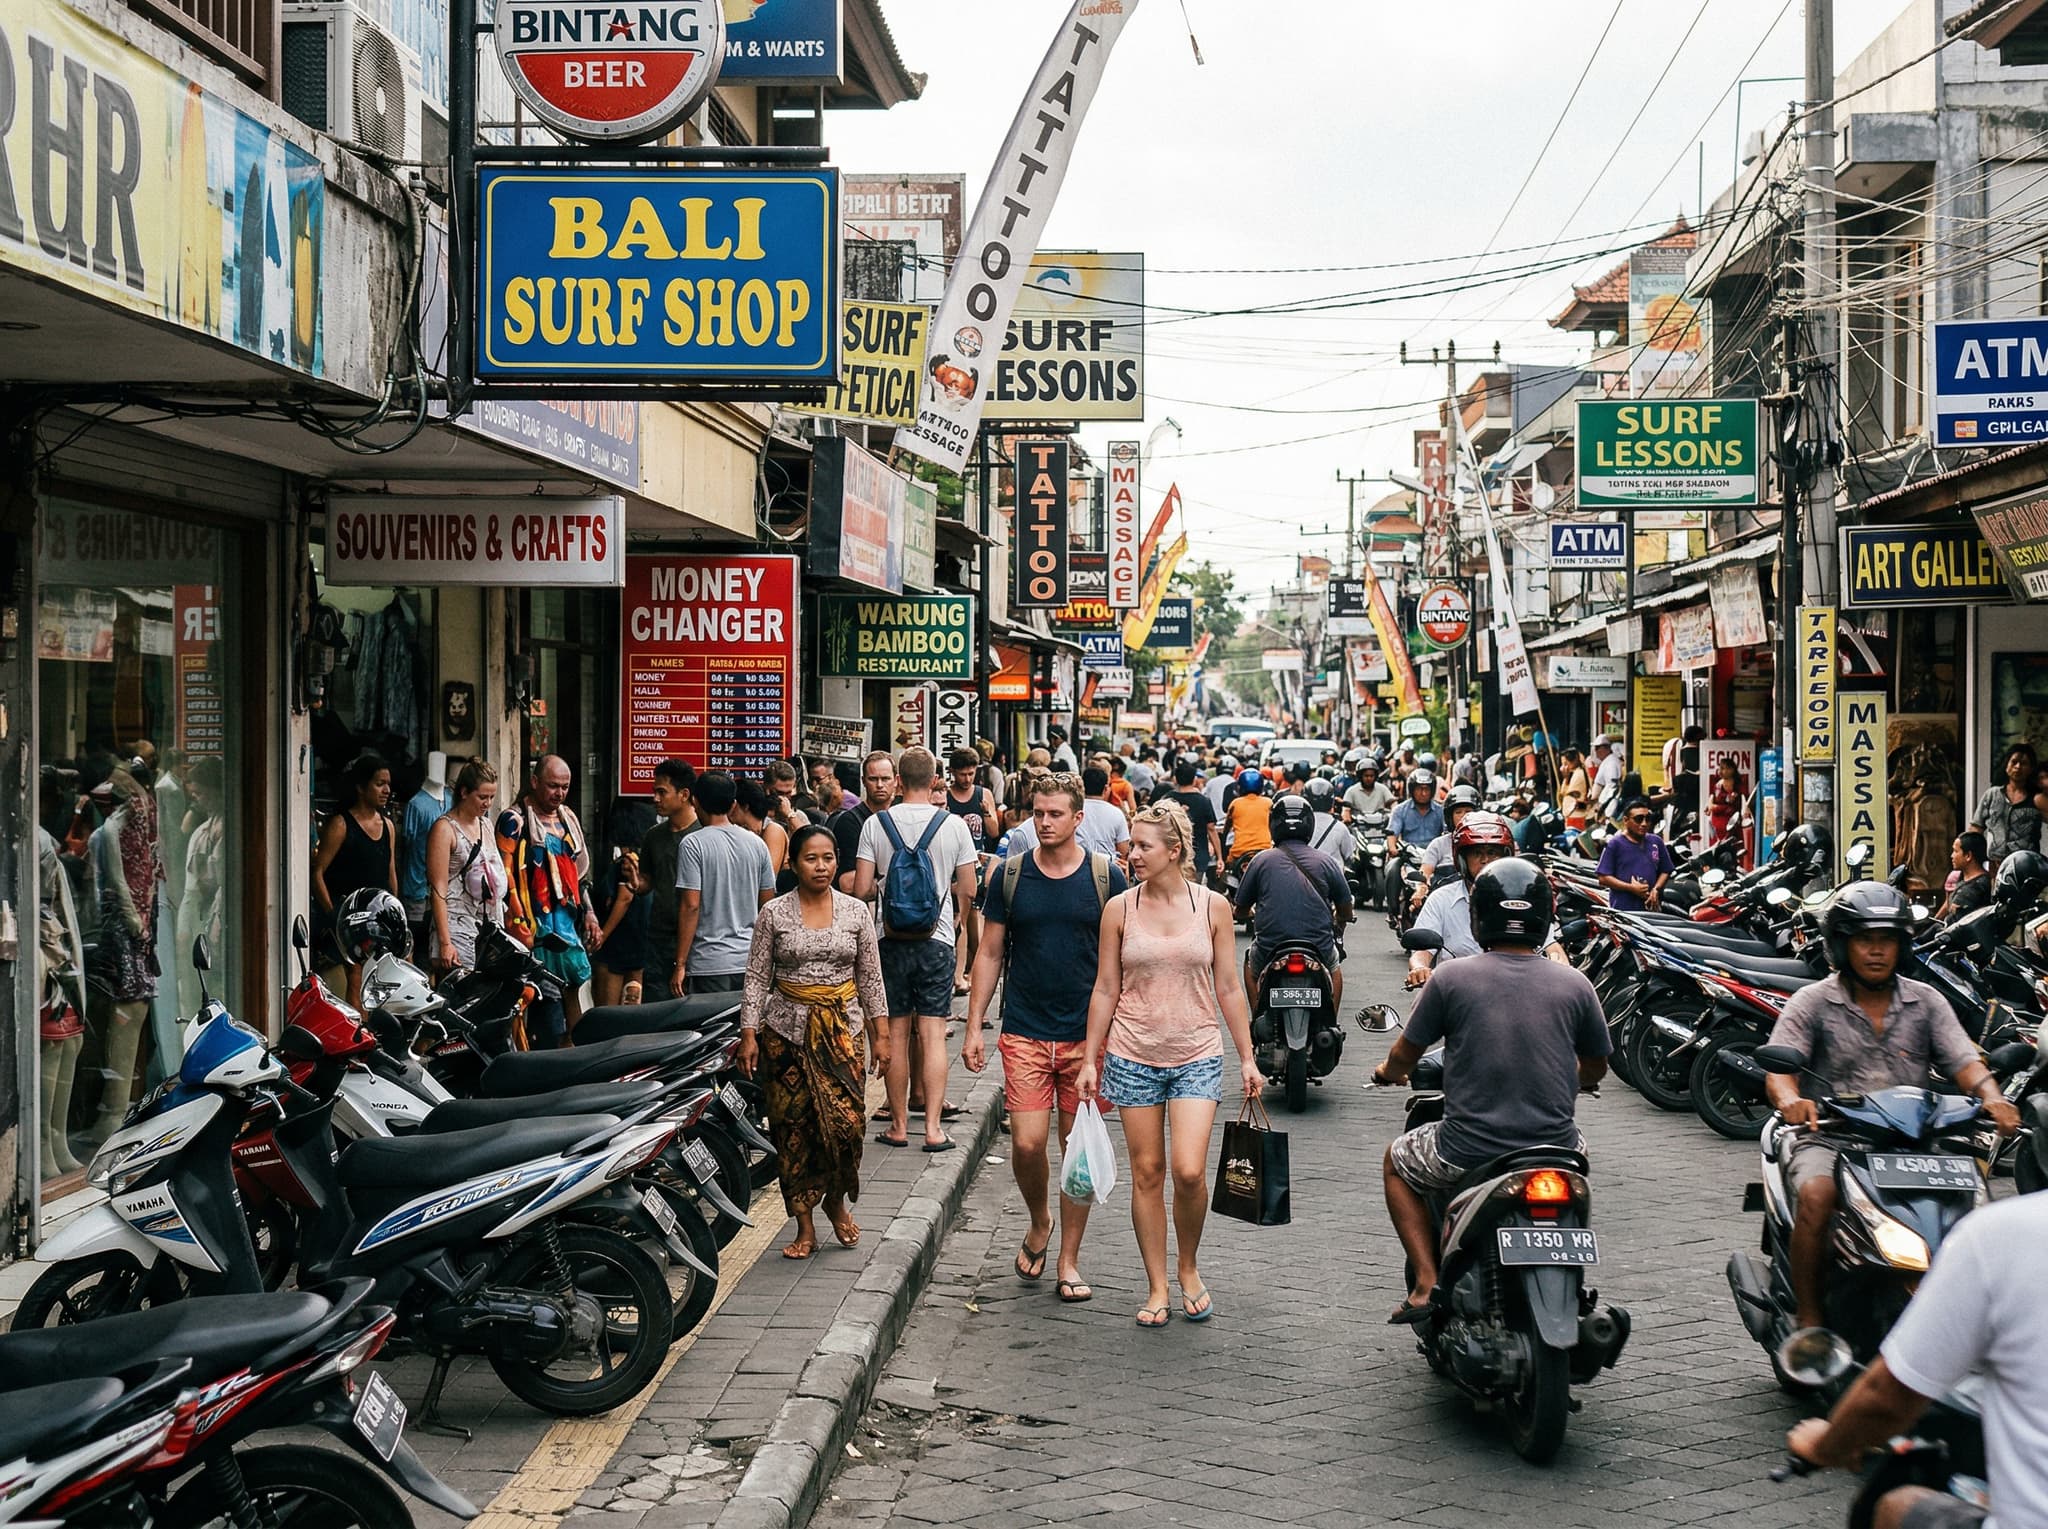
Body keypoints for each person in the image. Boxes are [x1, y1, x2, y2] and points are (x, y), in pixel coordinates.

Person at [1763, 881, 2019, 1334]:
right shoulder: (1814, 1002)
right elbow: (1779, 1071)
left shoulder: (1927, 1001)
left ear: (1902, 946)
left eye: (1888, 941)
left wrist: (1993, 1097)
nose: (1877, 951)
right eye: (1866, 940)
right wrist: (1792, 1101)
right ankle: (1810, 1318)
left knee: (1975, 1205)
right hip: (1833, 1135)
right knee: (1817, 1198)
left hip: (1917, 1139)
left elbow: (1965, 1062)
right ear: (1842, 945)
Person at [1371, 858, 1610, 1322]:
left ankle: (1425, 1281)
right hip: (1557, 1149)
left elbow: (1406, 1055)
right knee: (1578, 1174)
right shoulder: (1576, 984)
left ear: (1479, 916)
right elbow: (1597, 1066)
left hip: (1468, 1148)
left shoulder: (1452, 978)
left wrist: (1387, 1071)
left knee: (1395, 1163)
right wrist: (1578, 1080)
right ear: (1544, 916)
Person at [1077, 802, 1263, 1328]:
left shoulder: (1212, 907)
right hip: (1132, 1052)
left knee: (1187, 1170)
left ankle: (1188, 1266)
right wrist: (1090, 1058)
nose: (1131, 854)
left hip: (1197, 1052)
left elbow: (1228, 986)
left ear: (1173, 852)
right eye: (1131, 845)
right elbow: (1106, 987)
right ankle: (1157, 1284)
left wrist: (1247, 1057)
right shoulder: (1120, 909)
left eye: (1142, 846)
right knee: (1147, 1174)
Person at [1783, 1191, 2048, 1529]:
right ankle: (1809, 1312)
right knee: (1815, 1195)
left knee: (1896, 1506)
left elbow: (1887, 1398)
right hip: (1860, 1166)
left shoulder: (2001, 1233)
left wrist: (1825, 1446)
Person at [964, 772, 1127, 1303]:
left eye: (1056, 814)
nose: (1045, 822)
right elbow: (989, 954)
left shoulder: (1107, 877)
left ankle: (1069, 1258)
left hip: (1086, 1039)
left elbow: (1124, 961)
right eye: (1038, 813)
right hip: (1026, 1031)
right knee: (1028, 1143)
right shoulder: (1010, 876)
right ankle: (1040, 1220)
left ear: (1079, 818)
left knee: (1074, 1151)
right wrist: (973, 1026)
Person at [738, 824, 891, 1260]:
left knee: (847, 1125)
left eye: (827, 858)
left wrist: (882, 1035)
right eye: (810, 858)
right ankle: (803, 1224)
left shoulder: (855, 912)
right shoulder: (774, 914)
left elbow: (871, 978)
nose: (820, 867)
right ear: (793, 864)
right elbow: (756, 977)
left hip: (843, 1031)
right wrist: (749, 1033)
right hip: (784, 1034)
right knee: (793, 1130)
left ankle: (835, 1199)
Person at [855, 748, 980, 1151]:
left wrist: (886, 887)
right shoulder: (954, 826)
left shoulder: (876, 824)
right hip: (937, 941)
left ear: (897, 781)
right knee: (931, 1033)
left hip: (888, 942)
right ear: (935, 781)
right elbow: (971, 888)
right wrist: (954, 918)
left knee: (894, 1032)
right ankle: (931, 1129)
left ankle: (896, 1126)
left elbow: (861, 890)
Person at [501, 755, 600, 1045]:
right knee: (546, 1013)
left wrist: (591, 914)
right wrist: (518, 919)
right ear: (534, 782)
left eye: (565, 787)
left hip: (568, 928)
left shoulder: (568, 819)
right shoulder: (514, 820)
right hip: (534, 930)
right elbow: (505, 874)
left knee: (579, 1002)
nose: (559, 793)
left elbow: (578, 876)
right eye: (553, 786)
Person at [1405, 813, 1567, 986]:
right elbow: (1422, 953)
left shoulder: (1526, 897)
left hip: (1517, 991)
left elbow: (1552, 947)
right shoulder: (1441, 899)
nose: (1485, 860)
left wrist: (1562, 969)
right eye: (1477, 853)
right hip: (1458, 994)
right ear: (1462, 859)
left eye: (1492, 852)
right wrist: (1419, 969)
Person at [1235, 794, 1353, 1013]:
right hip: (1318, 946)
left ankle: (1256, 1017)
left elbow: (1240, 909)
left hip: (1270, 946)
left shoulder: (1260, 860)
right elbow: (1345, 908)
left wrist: (1250, 913)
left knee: (1250, 964)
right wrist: (1340, 920)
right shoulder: (1326, 861)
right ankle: (1332, 1022)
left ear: (1273, 825)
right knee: (1335, 970)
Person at [672, 771, 777, 997]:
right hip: (749, 961)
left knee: (711, 1030)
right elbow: (768, 906)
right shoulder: (757, 844)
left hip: (709, 964)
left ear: (695, 802)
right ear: (733, 805)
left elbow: (691, 905)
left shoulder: (692, 844)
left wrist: (680, 963)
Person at [312, 752, 397, 1005]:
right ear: (361, 787)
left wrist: (395, 913)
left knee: (382, 981)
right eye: (379, 783)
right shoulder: (340, 825)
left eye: (388, 784)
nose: (386, 790)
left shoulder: (388, 825)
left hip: (379, 918)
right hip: (347, 919)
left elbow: (390, 873)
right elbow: (317, 873)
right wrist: (334, 917)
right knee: (356, 979)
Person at [425, 757, 507, 974]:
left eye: (491, 797)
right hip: (456, 926)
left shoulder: (486, 824)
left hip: (488, 927)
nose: (487, 803)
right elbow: (438, 890)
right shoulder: (445, 829)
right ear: (464, 793)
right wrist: (445, 943)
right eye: (482, 797)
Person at [635, 759, 698, 1002]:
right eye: (654, 792)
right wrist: (635, 883)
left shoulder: (702, 834)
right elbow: (648, 882)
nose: (656, 798)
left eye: (662, 792)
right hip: (658, 938)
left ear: (684, 795)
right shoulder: (654, 836)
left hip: (694, 938)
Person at [943, 747, 1001, 995]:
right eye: (962, 774)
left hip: (977, 862)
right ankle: (961, 971)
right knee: (959, 917)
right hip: (952, 864)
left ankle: (970, 969)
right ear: (952, 772)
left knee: (973, 917)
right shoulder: (945, 796)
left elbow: (994, 832)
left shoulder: (982, 793)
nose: (967, 779)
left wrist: (987, 811)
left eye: (971, 773)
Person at [590, 798, 651, 1007]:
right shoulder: (647, 854)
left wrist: (602, 937)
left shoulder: (627, 859)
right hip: (641, 934)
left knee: (609, 1007)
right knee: (634, 999)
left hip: (620, 936)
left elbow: (625, 898)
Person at [399, 752, 451, 955]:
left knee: (438, 942)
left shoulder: (450, 798)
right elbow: (406, 845)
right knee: (416, 939)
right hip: (417, 883)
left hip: (444, 884)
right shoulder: (416, 804)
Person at [1597, 796, 1677, 912]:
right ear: (1625, 820)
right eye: (1639, 819)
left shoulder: (1656, 842)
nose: (1644, 824)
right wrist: (1630, 888)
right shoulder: (1615, 844)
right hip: (1625, 912)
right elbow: (1603, 878)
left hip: (1652, 911)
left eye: (1648, 818)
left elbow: (1666, 870)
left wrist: (1656, 889)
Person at [832, 752, 896, 896]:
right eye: (873, 779)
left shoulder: (902, 818)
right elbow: (847, 883)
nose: (879, 785)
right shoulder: (849, 822)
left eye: (885, 779)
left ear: (896, 781)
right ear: (863, 781)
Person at [1973, 743, 2043, 865]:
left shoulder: (2036, 799)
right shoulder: (1992, 795)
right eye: (2014, 762)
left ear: (2031, 769)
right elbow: (1975, 828)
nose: (2018, 767)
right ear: (2006, 765)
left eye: (2024, 763)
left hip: (2026, 865)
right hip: (1994, 865)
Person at [1160, 760, 1223, 883]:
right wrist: (1220, 857)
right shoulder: (1204, 801)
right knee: (1193, 890)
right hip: (1198, 856)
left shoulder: (1167, 799)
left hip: (1172, 855)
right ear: (1194, 780)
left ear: (1176, 779)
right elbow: (1211, 829)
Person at [732, 777, 792, 882]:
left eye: (732, 805)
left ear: (743, 806)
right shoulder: (739, 831)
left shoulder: (772, 830)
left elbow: (768, 878)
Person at [1223, 768, 1273, 876]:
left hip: (1239, 853)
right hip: (1265, 851)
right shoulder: (1268, 803)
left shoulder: (1235, 804)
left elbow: (1226, 829)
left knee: (1226, 873)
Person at [1937, 830, 1992, 923]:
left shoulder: (1975, 888)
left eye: (1955, 851)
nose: (1952, 856)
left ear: (1968, 856)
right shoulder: (1963, 877)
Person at [1707, 757, 1745, 846]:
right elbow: (1711, 803)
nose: (1724, 771)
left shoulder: (1738, 785)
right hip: (1717, 825)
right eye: (1722, 768)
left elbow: (1741, 803)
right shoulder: (1717, 785)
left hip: (1732, 824)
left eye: (1727, 768)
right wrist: (1711, 806)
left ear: (1732, 769)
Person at [1591, 734, 1624, 807]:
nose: (1596, 751)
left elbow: (1612, 786)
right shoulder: (1606, 761)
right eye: (1595, 748)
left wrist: (1603, 805)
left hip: (1608, 805)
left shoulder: (1611, 763)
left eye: (1598, 748)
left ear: (1607, 748)